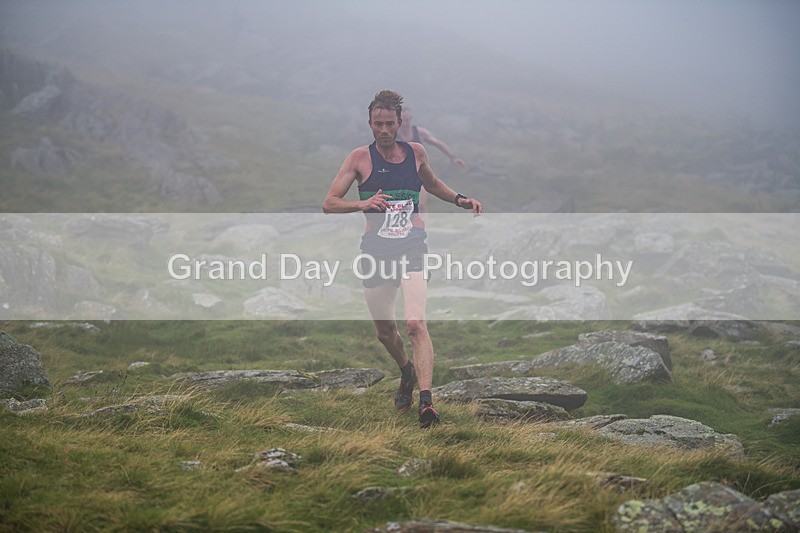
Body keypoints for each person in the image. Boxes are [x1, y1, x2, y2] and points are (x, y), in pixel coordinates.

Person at [322, 90, 482, 428]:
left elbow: (434, 184)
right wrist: (362, 204)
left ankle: (426, 402)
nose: (383, 130)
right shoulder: (358, 159)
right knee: (385, 332)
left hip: (412, 245)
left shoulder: (416, 152)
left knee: (414, 324)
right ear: (370, 123)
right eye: (377, 124)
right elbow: (329, 202)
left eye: (389, 124)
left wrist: (460, 199)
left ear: (399, 123)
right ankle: (406, 370)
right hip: (376, 250)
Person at [398, 108, 467, 170]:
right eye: (402, 120)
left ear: (411, 118)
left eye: (407, 120)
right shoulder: (392, 134)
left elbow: (439, 143)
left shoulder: (420, 132)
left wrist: (453, 157)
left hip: (419, 171)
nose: (404, 123)